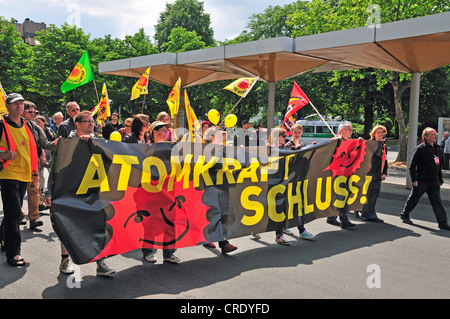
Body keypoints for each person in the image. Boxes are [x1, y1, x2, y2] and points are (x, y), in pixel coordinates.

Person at [44, 110, 116, 275]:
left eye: (93, 122)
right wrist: (49, 192)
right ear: (77, 124)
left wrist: (93, 144)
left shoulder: (98, 142)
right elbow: (54, 168)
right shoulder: (66, 143)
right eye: (88, 122)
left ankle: (100, 263)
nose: (92, 124)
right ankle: (64, 260)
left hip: (91, 192)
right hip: (68, 191)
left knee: (97, 225)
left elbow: (111, 161)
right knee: (67, 225)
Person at [0, 93, 38, 266]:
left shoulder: (27, 125)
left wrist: (35, 175)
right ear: (7, 106)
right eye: (15, 104)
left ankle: (3, 239)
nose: (20, 106)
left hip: (24, 174)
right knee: (14, 213)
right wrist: (3, 154)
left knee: (12, 213)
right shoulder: (1, 124)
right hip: (7, 174)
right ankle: (13, 253)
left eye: (22, 103)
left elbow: (32, 151)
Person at [138, 120, 180, 263]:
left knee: (169, 222)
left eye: (166, 130)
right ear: (154, 132)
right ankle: (148, 251)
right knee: (150, 223)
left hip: (167, 191)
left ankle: (169, 253)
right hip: (151, 192)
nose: (166, 133)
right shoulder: (146, 148)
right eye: (162, 130)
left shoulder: (171, 147)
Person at [400, 128, 450, 230]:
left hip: (434, 181)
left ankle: (442, 222)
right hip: (422, 180)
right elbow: (412, 166)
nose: (435, 136)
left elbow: (438, 165)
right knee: (414, 198)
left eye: (435, 134)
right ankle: (405, 214)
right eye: (432, 134)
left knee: (437, 201)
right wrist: (414, 179)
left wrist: (440, 179)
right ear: (426, 137)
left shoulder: (438, 148)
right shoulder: (420, 149)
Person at [201, 126, 238, 254]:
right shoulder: (205, 150)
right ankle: (211, 238)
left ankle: (223, 243)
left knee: (224, 213)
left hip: (223, 184)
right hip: (210, 185)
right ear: (212, 138)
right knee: (213, 213)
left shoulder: (224, 149)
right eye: (219, 135)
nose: (223, 137)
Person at [22, 101, 57, 228]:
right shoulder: (15, 125)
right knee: (17, 193)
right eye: (30, 112)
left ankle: (34, 218)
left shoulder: (36, 127)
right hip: (17, 165)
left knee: (34, 190)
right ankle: (20, 214)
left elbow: (46, 144)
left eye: (34, 112)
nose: (33, 115)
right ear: (22, 111)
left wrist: (56, 143)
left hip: (33, 164)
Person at [284, 124, 315, 240]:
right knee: (290, 204)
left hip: (300, 179)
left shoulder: (303, 145)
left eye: (299, 133)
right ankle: (299, 229)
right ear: (291, 133)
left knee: (297, 204)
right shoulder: (288, 145)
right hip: (290, 179)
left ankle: (299, 229)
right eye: (295, 132)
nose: (297, 135)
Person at [326, 122, 356, 229]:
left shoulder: (349, 142)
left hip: (346, 173)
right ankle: (342, 219)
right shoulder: (334, 141)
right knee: (340, 196)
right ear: (342, 130)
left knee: (342, 197)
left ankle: (333, 218)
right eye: (349, 130)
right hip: (337, 174)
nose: (351, 132)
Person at [359, 125, 387, 223]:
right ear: (373, 134)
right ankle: (368, 214)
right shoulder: (369, 144)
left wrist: (384, 173)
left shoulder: (383, 145)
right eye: (378, 132)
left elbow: (385, 161)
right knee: (369, 195)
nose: (380, 134)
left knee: (374, 195)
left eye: (382, 132)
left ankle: (366, 212)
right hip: (369, 174)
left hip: (377, 175)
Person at [34, 114, 57, 211]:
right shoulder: (33, 128)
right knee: (38, 179)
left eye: (40, 121)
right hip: (37, 155)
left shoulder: (48, 130)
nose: (38, 123)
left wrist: (55, 142)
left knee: (48, 173)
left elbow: (47, 143)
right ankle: (38, 203)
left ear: (44, 122)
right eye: (37, 121)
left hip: (48, 152)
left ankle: (44, 195)